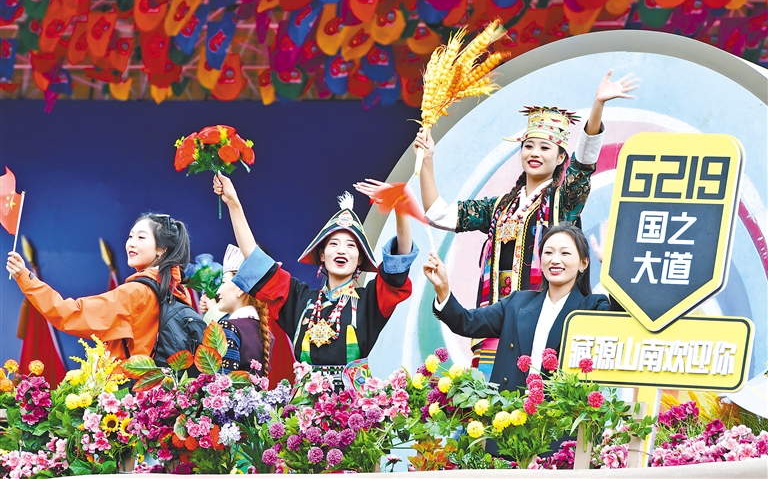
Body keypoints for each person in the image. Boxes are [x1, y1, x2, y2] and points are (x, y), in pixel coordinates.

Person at [414, 69, 638, 377]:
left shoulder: (561, 201)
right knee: (493, 399)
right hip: (498, 322)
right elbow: (439, 214)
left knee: (542, 398)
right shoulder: (499, 207)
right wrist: (427, 161)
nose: (535, 153)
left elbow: (584, 164)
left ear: (560, 158)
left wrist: (597, 105)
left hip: (547, 321)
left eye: (545, 148)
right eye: (529, 146)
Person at [213, 174, 418, 378]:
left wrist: (400, 209)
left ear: (360, 259)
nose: (341, 250)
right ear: (321, 254)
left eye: (350, 245)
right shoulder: (299, 299)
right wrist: (233, 203)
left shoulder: (370, 302)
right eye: (334, 244)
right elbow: (255, 261)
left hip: (354, 398)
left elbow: (397, 267)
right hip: (305, 397)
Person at [423, 222, 610, 394]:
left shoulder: (590, 308)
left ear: (584, 263)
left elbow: (620, 322)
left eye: (565, 253)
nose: (555, 260)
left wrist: (613, 269)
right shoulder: (517, 303)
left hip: (559, 417)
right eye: (548, 252)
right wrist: (443, 289)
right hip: (509, 413)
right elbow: (467, 322)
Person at [5, 213, 192, 361]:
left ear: (162, 249)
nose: (131, 243)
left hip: (127, 391)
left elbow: (69, 313)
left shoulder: (137, 292)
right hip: (159, 392)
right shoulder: (177, 290)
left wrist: (25, 277)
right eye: (130, 236)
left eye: (141, 237)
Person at [215, 244, 273, 377]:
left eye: (223, 282)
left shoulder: (229, 327)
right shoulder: (263, 331)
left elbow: (221, 383)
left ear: (240, 288)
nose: (218, 291)